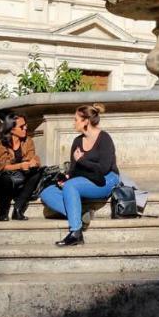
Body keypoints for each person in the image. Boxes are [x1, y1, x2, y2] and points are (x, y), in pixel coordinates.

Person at [40, 103, 120, 247]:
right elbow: (74, 169)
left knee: (71, 186)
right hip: (86, 180)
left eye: (76, 119)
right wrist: (66, 178)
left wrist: (82, 160)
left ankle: (76, 232)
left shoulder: (104, 138)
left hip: (106, 180)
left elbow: (103, 168)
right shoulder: (77, 141)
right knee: (47, 192)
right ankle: (82, 214)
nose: (73, 123)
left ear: (86, 121)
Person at [0, 113, 43, 221]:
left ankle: (18, 209)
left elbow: (31, 157)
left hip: (19, 180)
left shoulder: (28, 141)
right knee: (5, 179)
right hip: (3, 183)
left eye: (25, 125)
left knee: (37, 172)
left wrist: (33, 162)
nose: (25, 128)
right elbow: (0, 167)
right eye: (21, 126)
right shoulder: (0, 145)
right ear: (11, 129)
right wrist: (20, 166)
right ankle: (2, 213)